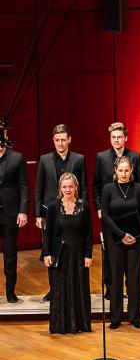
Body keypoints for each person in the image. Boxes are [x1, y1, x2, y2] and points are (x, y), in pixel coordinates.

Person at [35, 124, 88, 302]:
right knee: (52, 250)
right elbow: (39, 187)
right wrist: (38, 214)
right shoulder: (45, 160)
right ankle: (54, 289)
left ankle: (73, 287)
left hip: (73, 212)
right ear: (53, 141)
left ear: (69, 140)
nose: (60, 143)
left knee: (73, 251)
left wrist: (83, 209)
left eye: (63, 140)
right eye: (57, 140)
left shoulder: (79, 159)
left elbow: (84, 187)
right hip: (51, 213)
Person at [92, 122, 140, 300]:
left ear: (126, 138)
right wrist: (99, 207)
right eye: (113, 137)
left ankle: (131, 289)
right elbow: (96, 185)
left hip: (131, 213)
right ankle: (111, 288)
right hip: (111, 215)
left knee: (132, 256)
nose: (116, 140)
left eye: (119, 137)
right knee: (110, 254)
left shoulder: (135, 156)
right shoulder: (102, 157)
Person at [41, 173, 92, 334]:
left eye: (71, 186)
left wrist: (88, 254)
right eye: (64, 187)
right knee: (59, 288)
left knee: (79, 287)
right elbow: (48, 233)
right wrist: (47, 253)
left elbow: (88, 233)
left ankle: (79, 324)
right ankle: (60, 325)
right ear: (60, 188)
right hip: (60, 253)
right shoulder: (53, 207)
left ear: (76, 187)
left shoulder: (85, 206)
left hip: (78, 254)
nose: (68, 189)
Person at [100, 156, 140, 329]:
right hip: (115, 240)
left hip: (136, 239)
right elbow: (105, 215)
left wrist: (133, 233)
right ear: (115, 171)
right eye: (121, 170)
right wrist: (121, 235)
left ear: (131, 171)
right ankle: (116, 317)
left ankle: (135, 317)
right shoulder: (108, 189)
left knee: (134, 278)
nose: (124, 173)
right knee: (116, 278)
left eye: (127, 170)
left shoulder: (139, 188)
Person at [0, 137, 29, 302]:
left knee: (10, 255)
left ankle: (10, 292)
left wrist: (23, 211)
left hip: (11, 214)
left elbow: (24, 186)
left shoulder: (16, 158)